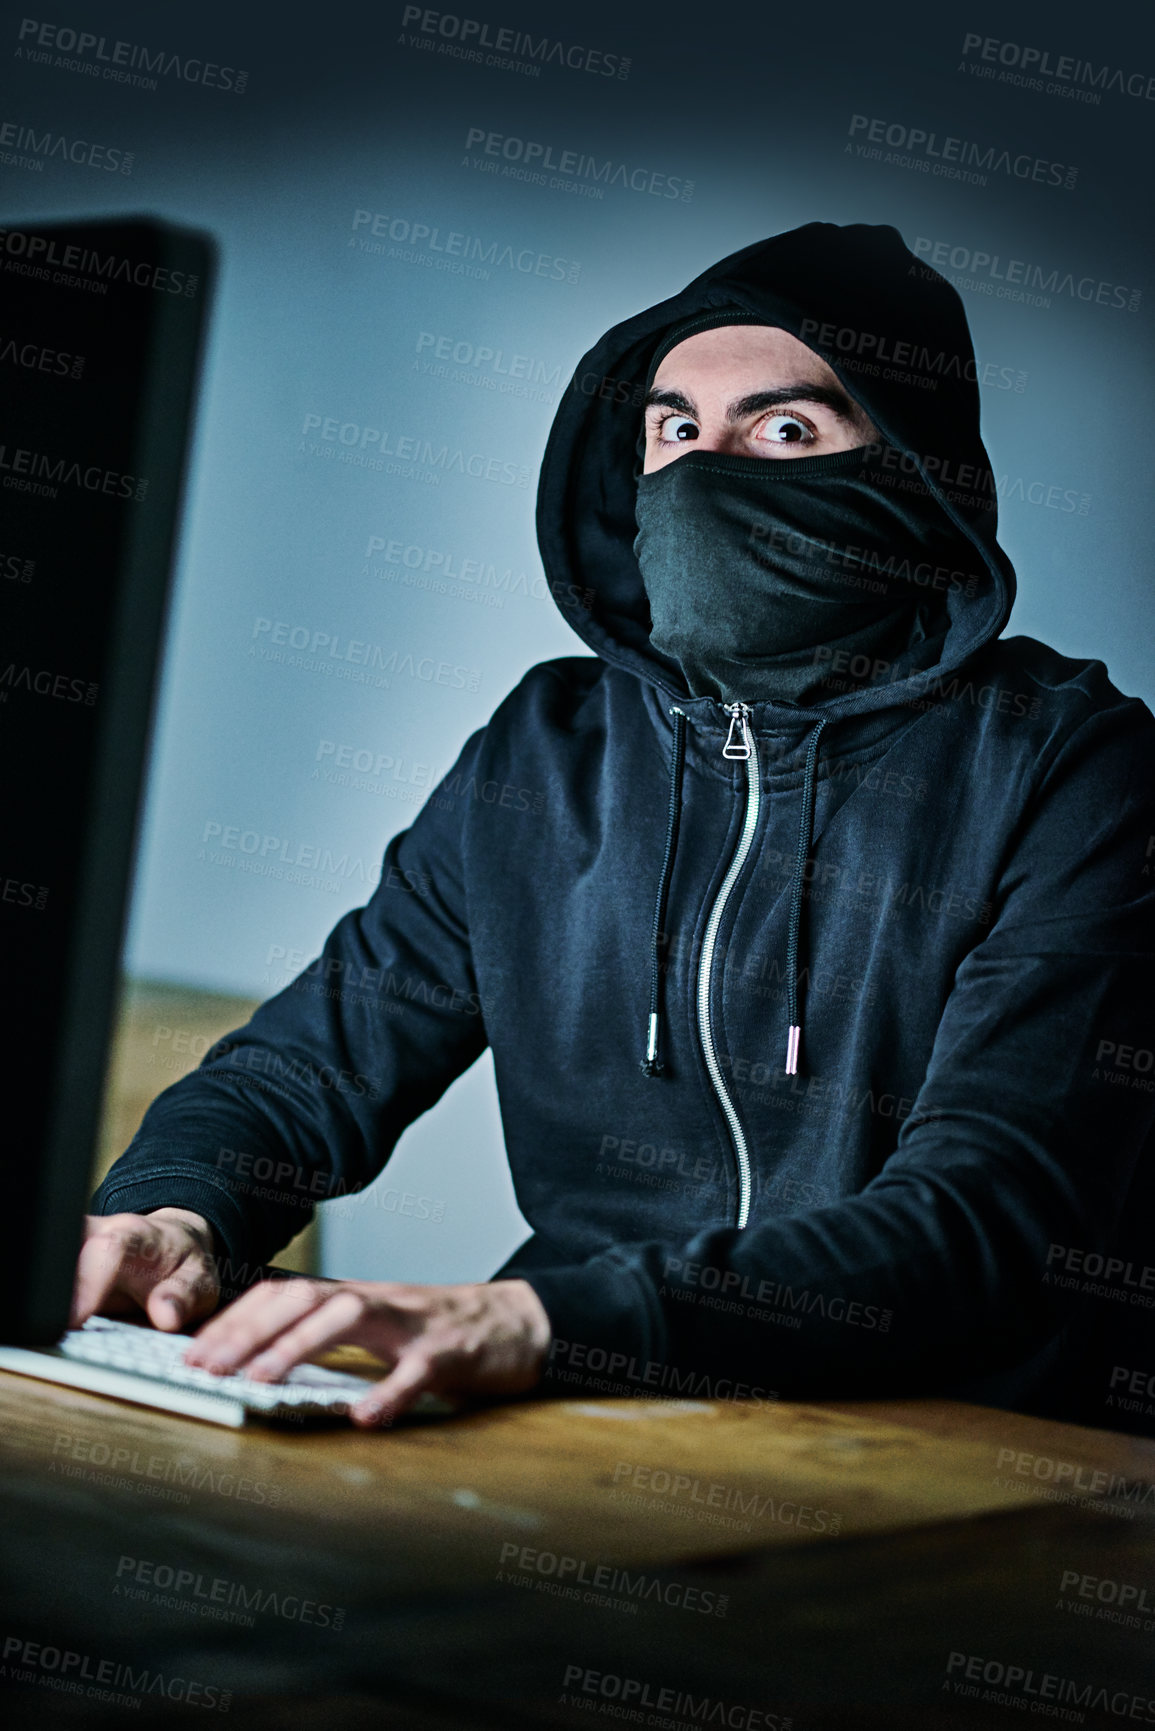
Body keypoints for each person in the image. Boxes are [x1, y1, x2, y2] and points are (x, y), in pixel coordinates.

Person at [77, 222, 1155, 1433]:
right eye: (674, 429)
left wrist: (537, 1323)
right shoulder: (547, 748)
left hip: (951, 1439)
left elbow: (990, 1219)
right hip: (578, 1405)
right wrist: (175, 1216)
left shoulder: (1077, 767)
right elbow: (308, 1068)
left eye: (785, 429)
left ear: (912, 471)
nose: (705, 470)